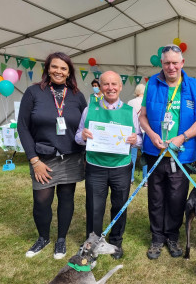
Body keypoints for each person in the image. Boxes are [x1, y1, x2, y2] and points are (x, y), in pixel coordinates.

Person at [139, 44, 196, 260]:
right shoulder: (152, 84)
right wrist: (150, 133)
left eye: (174, 63)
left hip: (181, 155)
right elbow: (142, 116)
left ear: (182, 63)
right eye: (167, 62)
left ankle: (172, 236)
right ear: (162, 63)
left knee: (177, 198)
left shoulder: (195, 87)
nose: (171, 67)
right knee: (156, 197)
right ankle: (157, 238)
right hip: (156, 153)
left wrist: (183, 137)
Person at [17, 52, 87, 259]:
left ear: (69, 72)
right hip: (42, 159)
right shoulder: (33, 92)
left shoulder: (77, 95)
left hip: (71, 157)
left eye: (63, 68)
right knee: (41, 200)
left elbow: (86, 126)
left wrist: (85, 154)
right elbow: (23, 127)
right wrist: (34, 160)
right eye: (55, 67)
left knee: (66, 199)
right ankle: (43, 238)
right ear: (48, 68)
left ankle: (61, 240)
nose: (59, 71)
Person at [75, 71, 142, 260]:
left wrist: (135, 139)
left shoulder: (130, 112)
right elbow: (77, 136)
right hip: (96, 166)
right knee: (94, 207)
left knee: (119, 205)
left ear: (121, 87)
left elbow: (141, 140)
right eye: (106, 84)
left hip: (121, 167)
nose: (110, 88)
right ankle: (93, 243)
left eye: (114, 84)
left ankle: (116, 241)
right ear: (100, 87)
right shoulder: (90, 109)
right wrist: (83, 136)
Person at [128, 83, 148, 186]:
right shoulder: (147, 102)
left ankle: (130, 179)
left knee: (132, 156)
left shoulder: (130, 102)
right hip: (145, 131)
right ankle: (146, 181)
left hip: (133, 132)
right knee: (146, 156)